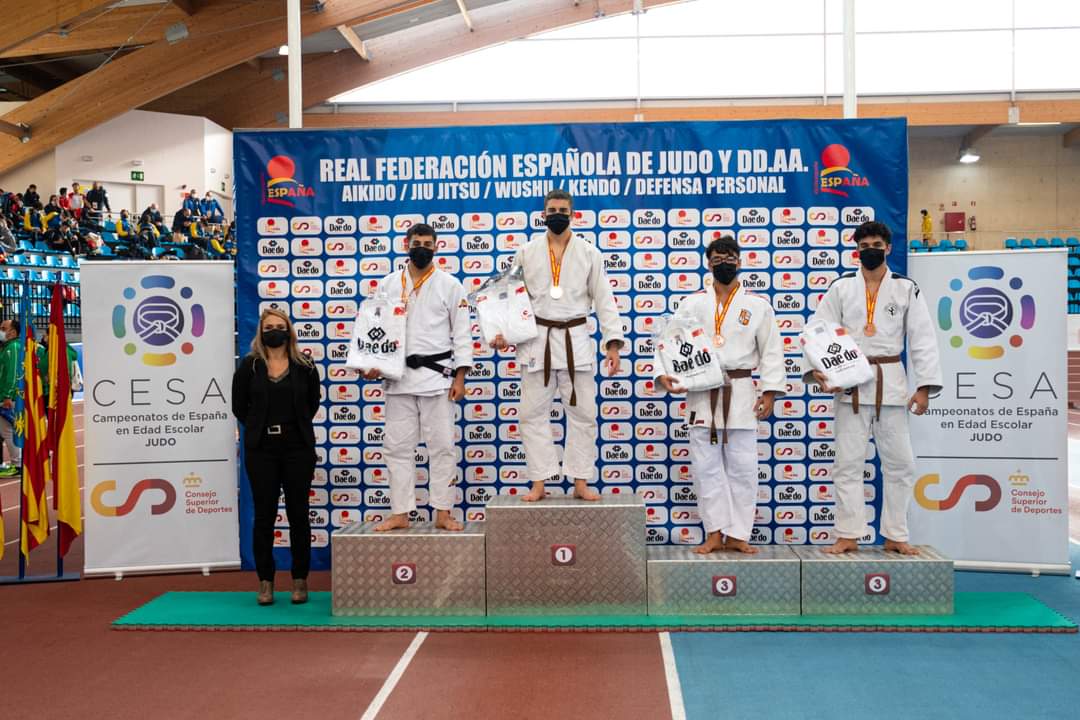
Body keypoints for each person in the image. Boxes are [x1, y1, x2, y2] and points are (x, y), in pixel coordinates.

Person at [804, 220, 942, 556]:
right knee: (848, 463)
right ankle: (848, 532)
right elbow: (818, 330)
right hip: (849, 382)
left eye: (877, 244)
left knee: (901, 464)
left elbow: (923, 338)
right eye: (865, 245)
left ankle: (895, 533)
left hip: (891, 381)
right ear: (857, 250)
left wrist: (923, 386)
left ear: (889, 248)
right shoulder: (841, 288)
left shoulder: (906, 288)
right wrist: (817, 370)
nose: (871, 250)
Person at [655, 235, 785, 554]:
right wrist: (662, 373)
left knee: (743, 467)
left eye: (729, 258)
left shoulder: (757, 306)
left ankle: (739, 533)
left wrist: (769, 392)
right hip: (702, 393)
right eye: (717, 259)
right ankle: (714, 531)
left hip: (741, 392)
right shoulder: (692, 303)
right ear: (708, 263)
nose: (723, 263)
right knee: (706, 467)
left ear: (739, 262)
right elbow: (670, 342)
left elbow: (771, 351)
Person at [492, 189, 625, 502]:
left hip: (575, 341)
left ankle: (580, 480)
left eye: (562, 209)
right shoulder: (526, 252)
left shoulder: (590, 253)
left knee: (584, 415)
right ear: (542, 214)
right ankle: (540, 481)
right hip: (537, 342)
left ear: (573, 214)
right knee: (530, 415)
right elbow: (512, 297)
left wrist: (613, 345)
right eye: (551, 209)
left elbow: (604, 300)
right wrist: (501, 332)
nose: (557, 214)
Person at [361, 223, 473, 532]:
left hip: (437, 379)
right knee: (397, 448)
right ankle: (400, 512)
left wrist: (460, 378)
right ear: (406, 244)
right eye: (416, 242)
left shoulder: (451, 285)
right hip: (397, 379)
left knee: (442, 447)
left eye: (427, 243)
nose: (421, 247)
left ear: (436, 247)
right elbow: (375, 329)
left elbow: (462, 335)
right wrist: (370, 363)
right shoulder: (386, 285)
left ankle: (442, 512)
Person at [231, 308, 321, 606]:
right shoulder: (249, 366)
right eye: (268, 327)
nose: (273, 331)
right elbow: (239, 407)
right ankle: (266, 582)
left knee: (298, 515)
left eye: (279, 326)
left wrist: (292, 430)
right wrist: (260, 428)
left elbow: (312, 403)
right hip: (261, 451)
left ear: (289, 330)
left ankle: (299, 580)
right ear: (261, 330)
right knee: (264, 517)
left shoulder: (305, 365)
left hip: (298, 449)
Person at [0, 319, 23, 477]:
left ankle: (18, 465)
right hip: (6, 395)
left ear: (13, 332)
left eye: (3, 328)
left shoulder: (13, 347)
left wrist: (7, 395)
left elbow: (13, 373)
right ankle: (18, 463)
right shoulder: (7, 347)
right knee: (7, 431)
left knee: (8, 431)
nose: (1, 330)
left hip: (9, 397)